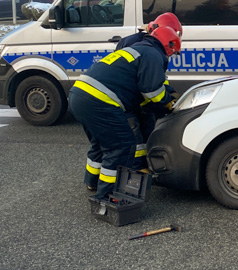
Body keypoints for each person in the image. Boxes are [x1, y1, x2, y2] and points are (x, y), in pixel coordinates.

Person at [69, 25, 181, 199]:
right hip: (100, 101)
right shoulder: (154, 55)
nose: (172, 56)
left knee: (100, 143)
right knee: (121, 147)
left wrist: (168, 91)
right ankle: (106, 196)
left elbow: (150, 82)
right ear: (169, 45)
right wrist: (168, 103)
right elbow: (152, 91)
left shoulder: (137, 49)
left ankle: (92, 181)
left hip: (79, 94)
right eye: (173, 52)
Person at [116, 13, 184, 163]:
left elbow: (157, 77)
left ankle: (140, 169)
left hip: (133, 97)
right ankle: (137, 170)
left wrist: (170, 91)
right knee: (136, 137)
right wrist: (166, 101)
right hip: (133, 100)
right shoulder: (149, 48)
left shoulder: (143, 42)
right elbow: (150, 85)